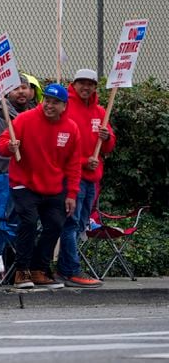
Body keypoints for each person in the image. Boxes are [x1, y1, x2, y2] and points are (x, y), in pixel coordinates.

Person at [0, 83, 81, 290]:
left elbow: (73, 164)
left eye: (55, 102)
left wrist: (71, 194)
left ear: (64, 105)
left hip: (53, 186)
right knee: (28, 222)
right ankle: (21, 271)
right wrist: (9, 146)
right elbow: (2, 143)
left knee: (55, 225)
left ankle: (39, 270)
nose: (49, 105)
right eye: (47, 100)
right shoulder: (24, 119)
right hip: (23, 183)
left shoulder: (71, 128)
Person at [56, 69, 115, 288]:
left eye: (90, 84)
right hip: (72, 177)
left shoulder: (101, 111)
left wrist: (107, 137)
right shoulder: (66, 108)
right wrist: (82, 161)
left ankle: (63, 270)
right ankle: (71, 270)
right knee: (70, 223)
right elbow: (59, 143)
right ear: (74, 84)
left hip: (92, 179)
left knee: (79, 224)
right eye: (82, 83)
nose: (86, 88)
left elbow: (109, 146)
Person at [0, 75, 31, 174]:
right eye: (15, 88)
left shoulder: (34, 115)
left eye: (24, 87)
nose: (20, 91)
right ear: (7, 93)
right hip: (10, 178)